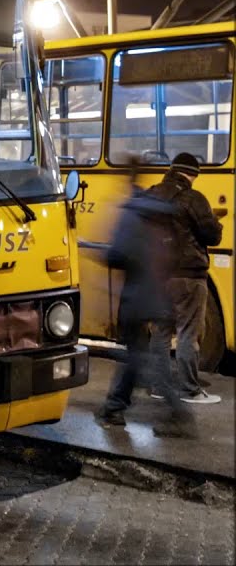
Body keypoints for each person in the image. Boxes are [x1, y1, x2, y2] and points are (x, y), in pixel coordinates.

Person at [95, 163, 196, 437]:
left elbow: (116, 254)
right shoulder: (158, 214)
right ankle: (115, 407)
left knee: (138, 358)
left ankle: (175, 411)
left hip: (137, 297)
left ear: (127, 181)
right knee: (136, 355)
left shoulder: (130, 215)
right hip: (159, 292)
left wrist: (102, 254)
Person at [147, 152, 223, 405]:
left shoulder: (151, 194)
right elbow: (211, 236)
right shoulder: (193, 198)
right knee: (188, 334)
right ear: (192, 174)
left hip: (158, 276)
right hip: (188, 276)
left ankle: (159, 387)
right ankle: (189, 389)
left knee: (160, 333)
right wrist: (217, 224)